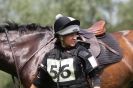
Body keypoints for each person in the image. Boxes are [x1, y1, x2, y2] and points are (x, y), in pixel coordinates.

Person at [30, 14, 99, 88]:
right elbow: (38, 82)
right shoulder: (49, 56)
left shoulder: (83, 52)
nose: (75, 38)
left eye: (75, 34)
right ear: (61, 37)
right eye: (71, 35)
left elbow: (95, 77)